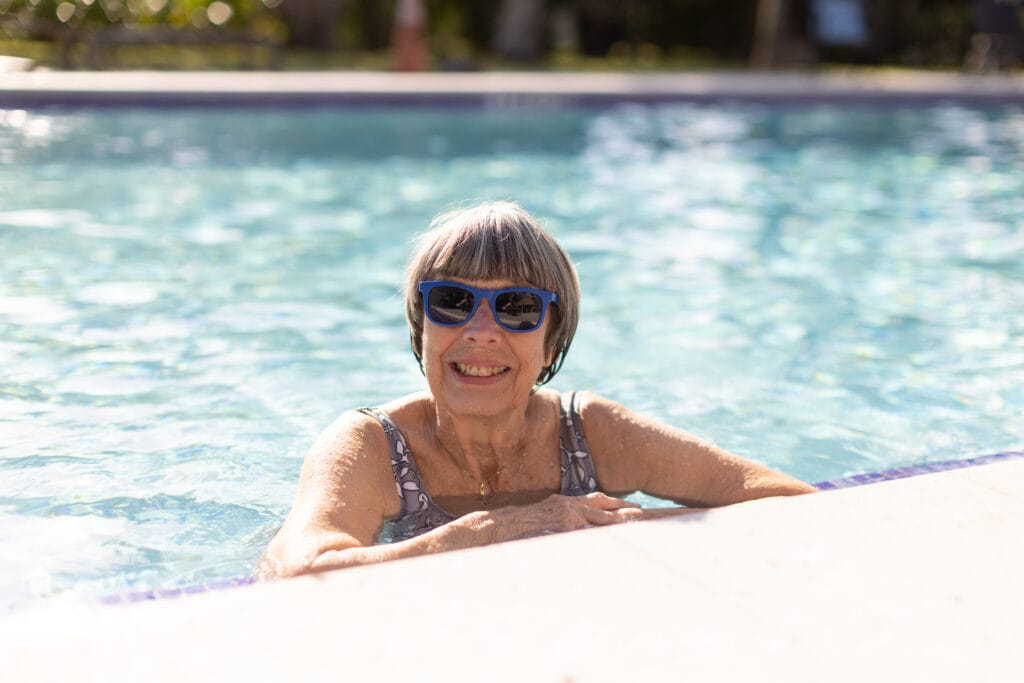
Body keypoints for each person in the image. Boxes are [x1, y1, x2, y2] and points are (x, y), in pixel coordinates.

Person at [258, 201, 816, 579]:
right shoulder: (372, 446)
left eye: (517, 308)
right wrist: (488, 531)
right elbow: (294, 573)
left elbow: (796, 505)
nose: (481, 332)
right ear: (419, 327)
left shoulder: (591, 433)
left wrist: (620, 526)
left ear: (552, 343)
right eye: (452, 301)